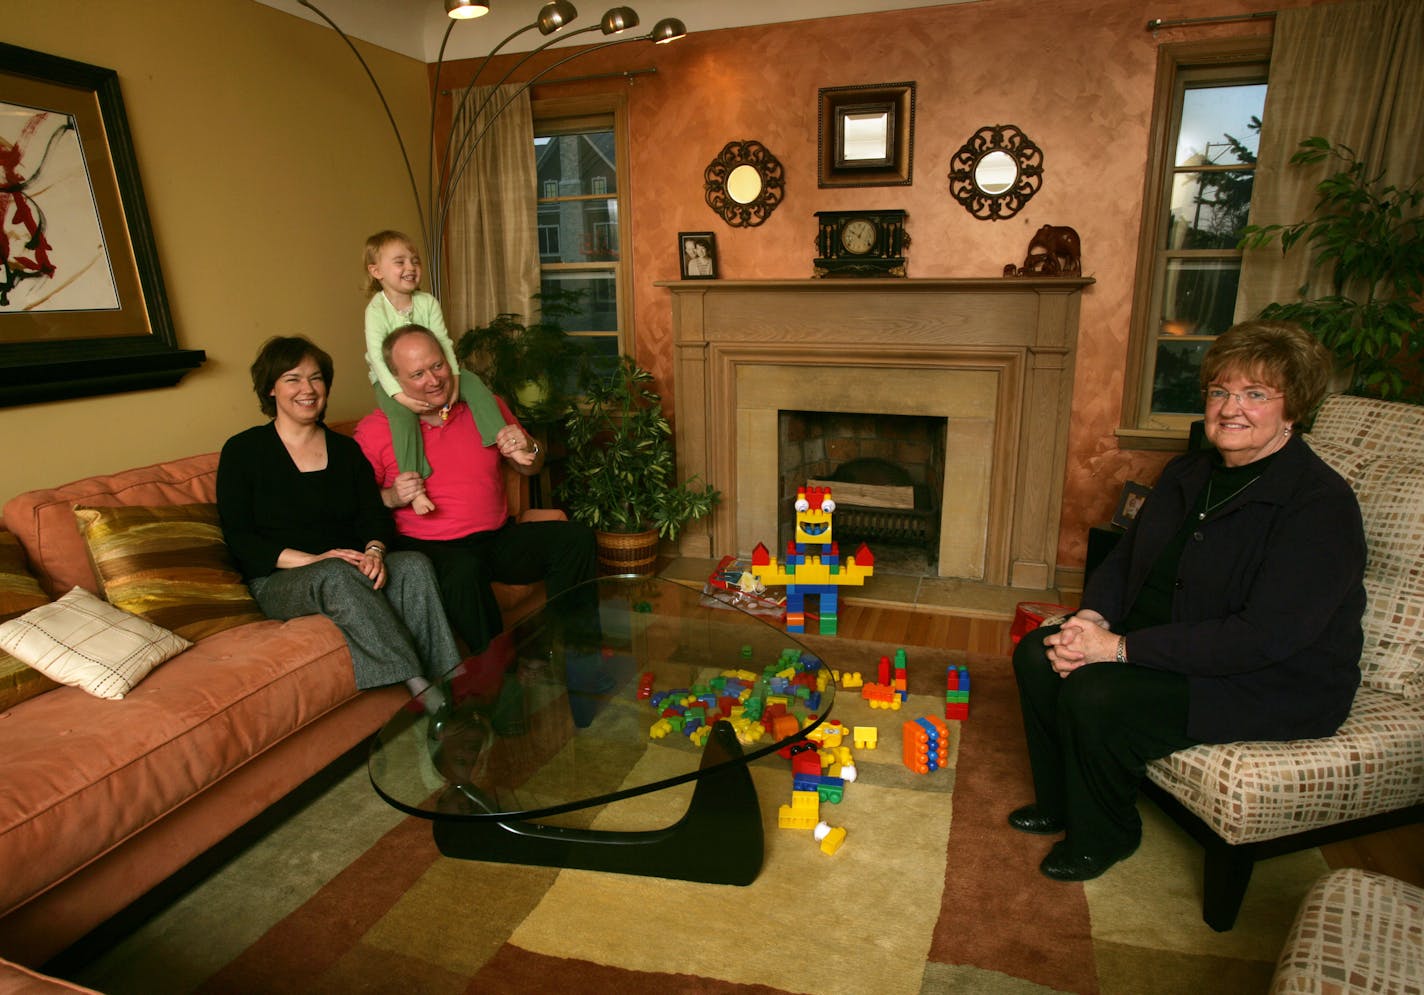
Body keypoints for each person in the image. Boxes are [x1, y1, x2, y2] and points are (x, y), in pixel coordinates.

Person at [1010, 320, 1366, 882]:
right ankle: (1060, 802)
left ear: (1292, 410)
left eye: (1255, 395)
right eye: (1221, 391)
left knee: (1096, 691)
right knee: (1038, 652)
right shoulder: (1189, 471)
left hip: (1270, 678)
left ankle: (1106, 833)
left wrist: (1118, 649)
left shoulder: (1319, 506)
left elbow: (1264, 637)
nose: (1231, 408)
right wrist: (1088, 619)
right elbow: (1126, 558)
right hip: (1176, 638)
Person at [217, 335, 460, 709]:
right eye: (293, 379)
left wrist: (375, 550)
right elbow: (239, 538)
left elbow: (372, 514)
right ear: (271, 389)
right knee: (336, 572)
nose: (308, 389)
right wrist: (314, 561)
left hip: (345, 564)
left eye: (316, 378)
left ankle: (454, 678)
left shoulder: (346, 452)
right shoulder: (243, 451)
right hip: (280, 579)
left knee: (412, 565)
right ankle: (422, 692)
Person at [354, 324, 597, 656]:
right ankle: (499, 680)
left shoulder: (485, 406)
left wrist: (528, 447)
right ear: (395, 381)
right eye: (418, 374)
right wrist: (392, 497)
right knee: (464, 572)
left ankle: (580, 653)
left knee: (575, 539)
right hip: (431, 549)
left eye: (437, 365)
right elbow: (356, 505)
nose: (434, 379)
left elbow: (531, 466)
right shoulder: (375, 429)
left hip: (495, 538)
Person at [362, 229, 506, 515]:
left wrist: (453, 381)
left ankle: (500, 437)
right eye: (400, 262)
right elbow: (379, 358)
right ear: (376, 270)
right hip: (388, 381)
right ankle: (415, 490)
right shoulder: (376, 310)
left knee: (474, 383)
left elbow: (443, 343)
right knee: (402, 419)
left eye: (414, 261)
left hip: (438, 370)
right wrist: (399, 396)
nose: (410, 268)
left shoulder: (427, 302)